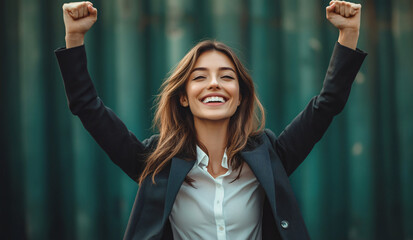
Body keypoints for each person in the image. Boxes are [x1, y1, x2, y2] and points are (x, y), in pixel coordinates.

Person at [55, 1, 367, 239]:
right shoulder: (156, 162)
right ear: (183, 96)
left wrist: (348, 33)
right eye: (200, 77)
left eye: (226, 77)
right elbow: (87, 107)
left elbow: (327, 104)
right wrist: (74, 36)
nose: (214, 84)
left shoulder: (270, 155)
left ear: (240, 95)